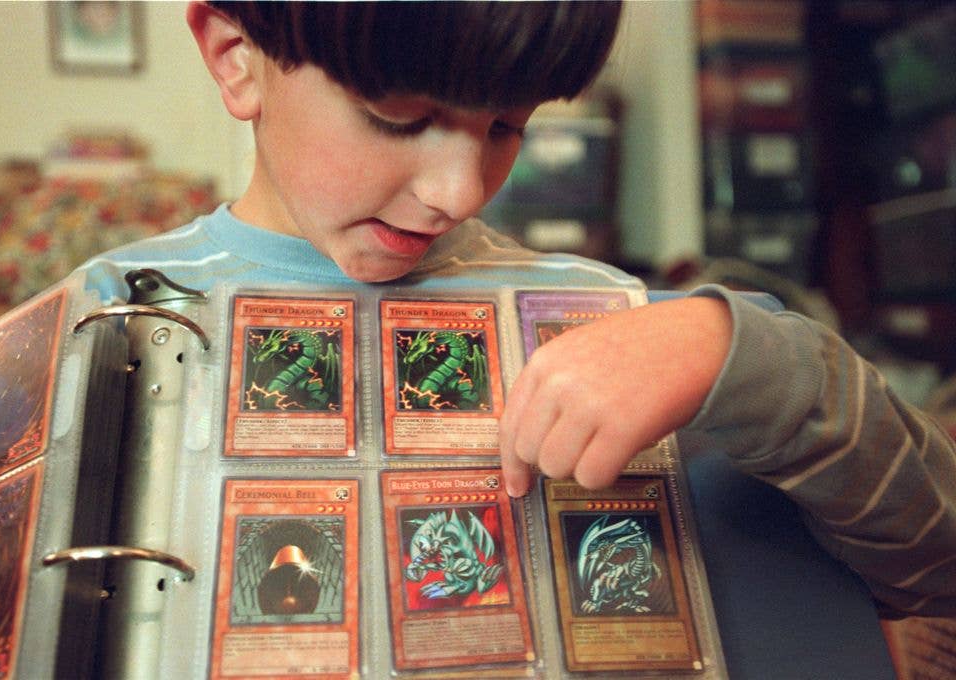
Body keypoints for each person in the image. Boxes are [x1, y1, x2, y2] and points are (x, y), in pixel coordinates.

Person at [74, 1, 955, 620]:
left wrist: (748, 356)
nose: (460, 192)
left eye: (507, 127)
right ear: (237, 57)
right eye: (399, 118)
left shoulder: (615, 328)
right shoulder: (106, 316)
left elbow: (934, 566)